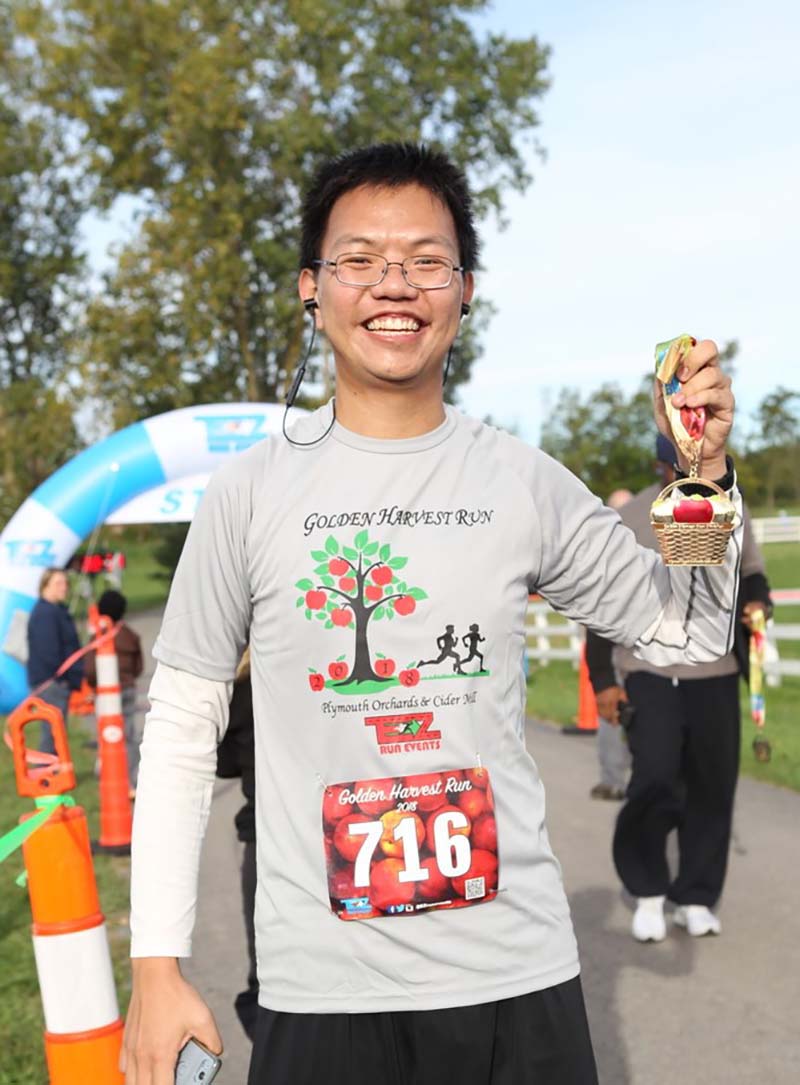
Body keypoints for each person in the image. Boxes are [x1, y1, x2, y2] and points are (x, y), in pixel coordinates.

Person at [125, 142, 739, 1085]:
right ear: (311, 289)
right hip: (322, 988)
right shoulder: (247, 495)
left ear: (464, 291)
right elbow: (180, 726)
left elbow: (688, 632)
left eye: (425, 260)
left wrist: (699, 485)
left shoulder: (523, 480)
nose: (393, 285)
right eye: (360, 260)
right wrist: (157, 966)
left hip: (515, 975)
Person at [586, 436, 772, 942]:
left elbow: (752, 575)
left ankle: (696, 895)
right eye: (681, 465)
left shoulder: (729, 506)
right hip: (649, 667)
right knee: (656, 777)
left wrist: (758, 606)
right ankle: (648, 889)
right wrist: (603, 680)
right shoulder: (633, 517)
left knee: (712, 785)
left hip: (715, 669)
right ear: (661, 466)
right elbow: (606, 604)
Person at [214, 648, 258, 1041]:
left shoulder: (240, 691)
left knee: (268, 973)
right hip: (335, 830)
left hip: (265, 842)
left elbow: (223, 763)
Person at [588, 487, 634, 801]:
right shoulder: (606, 555)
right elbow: (597, 615)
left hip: (649, 650)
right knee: (614, 715)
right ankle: (614, 779)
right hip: (617, 647)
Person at [85, 589, 144, 794]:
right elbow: (139, 667)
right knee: (128, 735)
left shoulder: (99, 636)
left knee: (107, 732)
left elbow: (90, 668)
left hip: (105, 693)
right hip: (127, 689)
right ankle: (129, 780)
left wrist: (93, 685)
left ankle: (108, 773)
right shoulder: (131, 636)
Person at [26, 567, 83, 754]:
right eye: (58, 583)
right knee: (52, 735)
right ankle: (45, 780)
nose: (64, 588)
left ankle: (53, 777)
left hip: (55, 681)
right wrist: (64, 680)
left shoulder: (56, 610)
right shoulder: (46, 613)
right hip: (51, 683)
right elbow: (49, 652)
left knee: (56, 734)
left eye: (66, 583)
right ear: (45, 586)